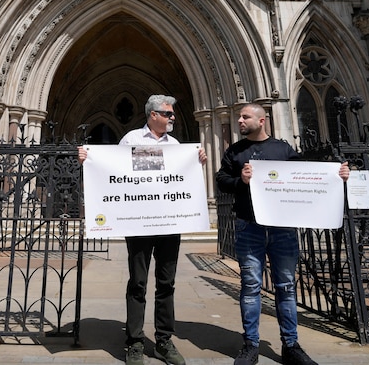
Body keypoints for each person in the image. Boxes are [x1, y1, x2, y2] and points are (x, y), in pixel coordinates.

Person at [215, 103, 349, 365]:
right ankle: (251, 345)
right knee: (251, 286)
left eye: (245, 117)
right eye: (239, 117)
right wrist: (239, 181)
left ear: (262, 120)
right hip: (248, 225)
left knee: (286, 287)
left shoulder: (283, 149)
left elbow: (307, 176)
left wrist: (337, 175)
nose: (239, 121)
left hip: (282, 228)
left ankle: (291, 345)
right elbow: (221, 181)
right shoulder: (234, 151)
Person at [78, 94, 207, 365]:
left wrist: (198, 162)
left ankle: (164, 340)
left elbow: (179, 179)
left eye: (172, 115)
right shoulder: (131, 140)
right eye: (168, 114)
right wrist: (88, 160)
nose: (172, 118)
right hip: (139, 223)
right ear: (153, 115)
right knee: (137, 282)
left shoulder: (174, 145)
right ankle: (135, 342)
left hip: (170, 222)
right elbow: (114, 171)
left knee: (166, 282)